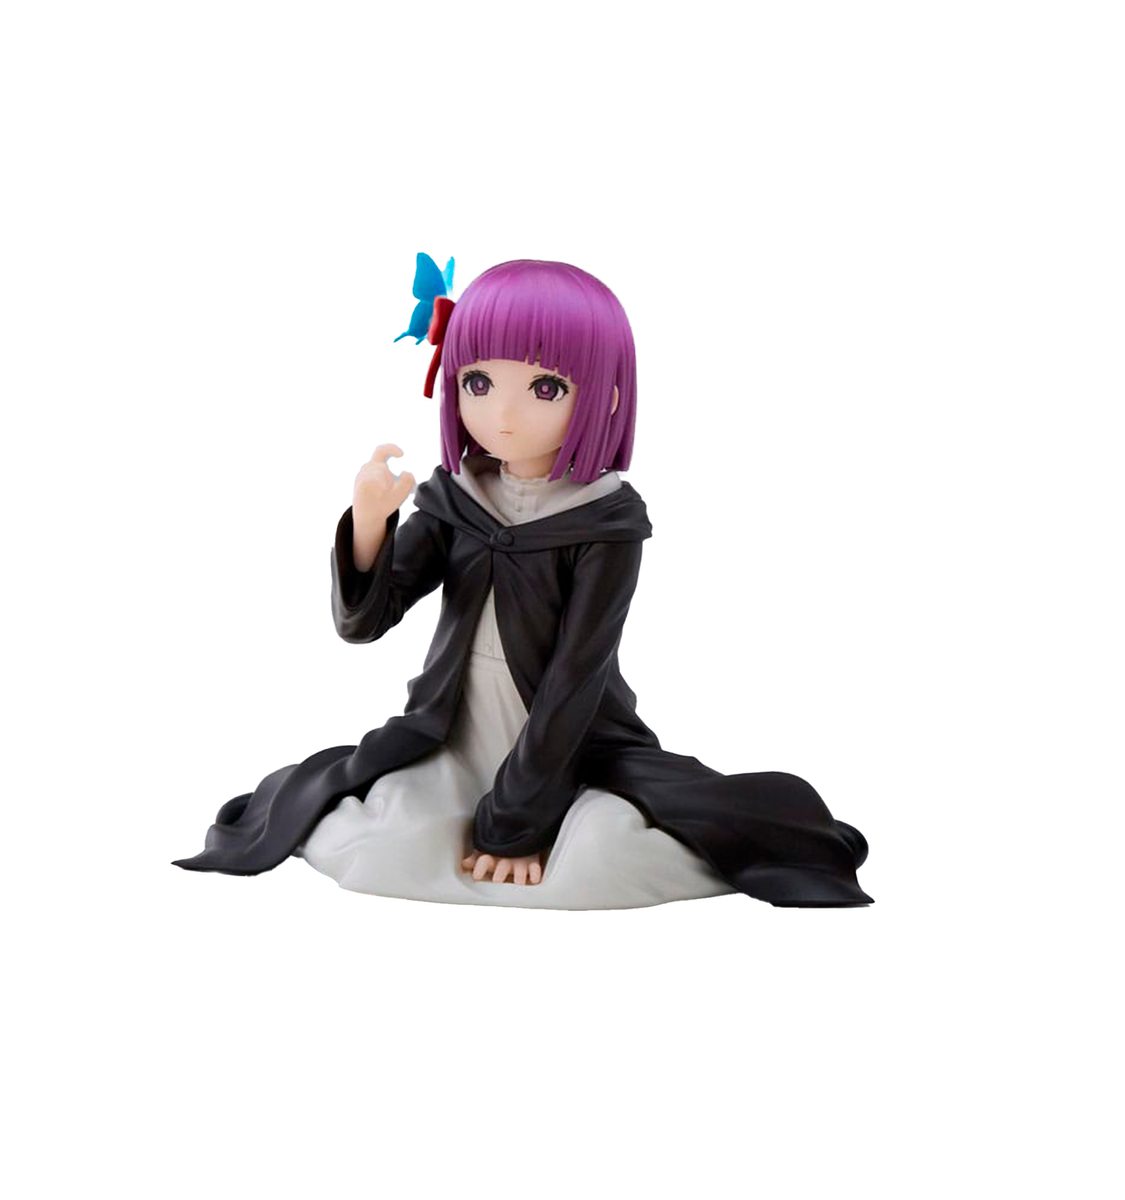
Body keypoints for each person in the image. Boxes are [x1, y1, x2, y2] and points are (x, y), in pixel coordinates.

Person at [174, 259, 873, 908]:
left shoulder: (605, 523)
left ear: (605, 397)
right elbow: (366, 621)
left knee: (600, 859)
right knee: (376, 849)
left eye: (545, 388)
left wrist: (515, 823)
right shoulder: (456, 499)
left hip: (569, 750)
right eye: (478, 383)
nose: (502, 415)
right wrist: (368, 526)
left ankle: (587, 832)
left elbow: (575, 676)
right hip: (450, 737)